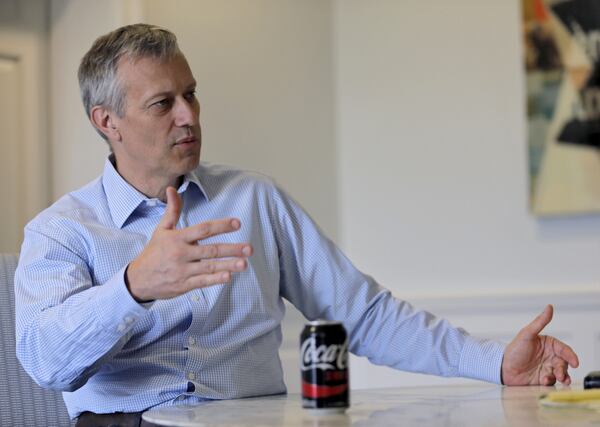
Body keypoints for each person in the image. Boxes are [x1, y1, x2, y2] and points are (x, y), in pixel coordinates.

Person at [14, 24, 578, 425]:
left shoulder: (254, 199)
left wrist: (496, 363)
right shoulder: (62, 231)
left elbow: (364, 314)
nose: (189, 115)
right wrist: (133, 288)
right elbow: (45, 364)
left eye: (191, 94)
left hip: (258, 421)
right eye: (164, 103)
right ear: (107, 121)